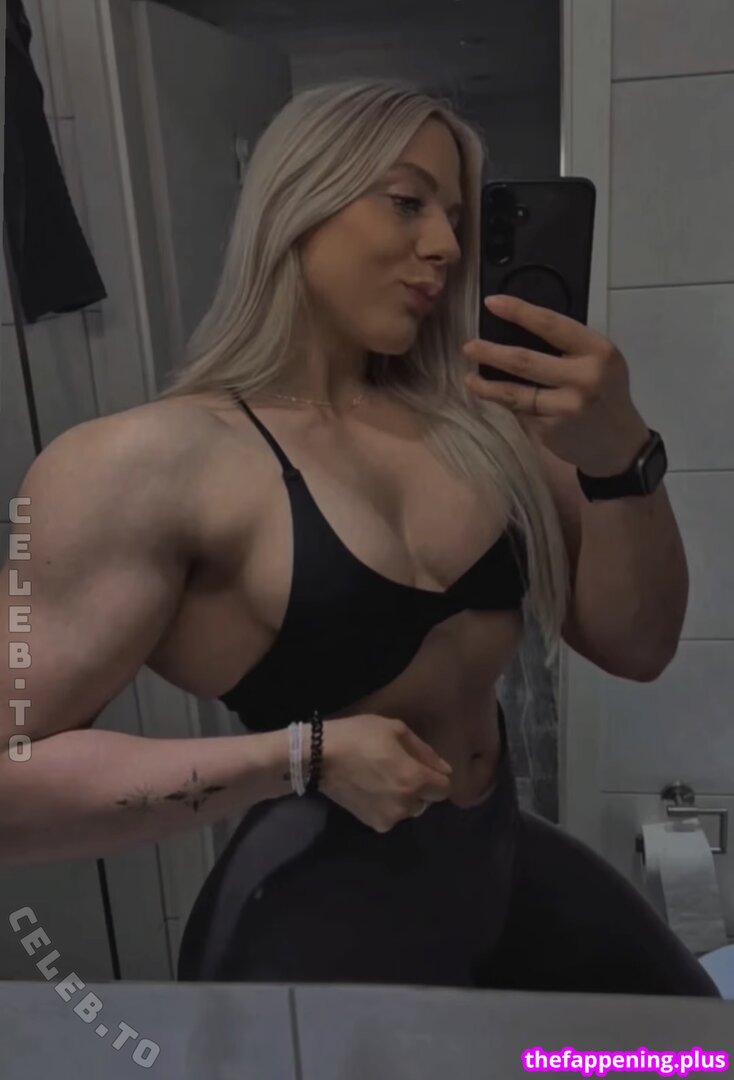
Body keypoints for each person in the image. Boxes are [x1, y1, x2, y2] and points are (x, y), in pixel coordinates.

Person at [0, 79, 718, 996]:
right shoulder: (144, 466)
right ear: (298, 204)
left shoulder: (490, 424)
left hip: (497, 867)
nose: (447, 246)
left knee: (682, 1054)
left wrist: (622, 457)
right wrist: (300, 756)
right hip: (310, 933)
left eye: (456, 217)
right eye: (408, 201)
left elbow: (639, 646)